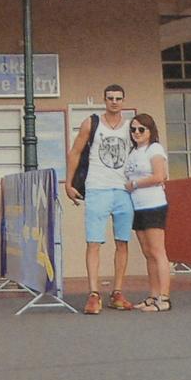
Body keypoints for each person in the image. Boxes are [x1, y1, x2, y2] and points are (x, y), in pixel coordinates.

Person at [65, 84, 135, 315]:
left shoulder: (131, 126)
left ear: (124, 101)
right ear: (104, 100)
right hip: (97, 188)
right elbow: (75, 151)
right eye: (110, 98)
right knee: (93, 242)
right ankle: (93, 293)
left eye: (118, 98)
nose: (114, 102)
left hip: (123, 190)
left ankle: (117, 291)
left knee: (122, 242)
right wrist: (69, 182)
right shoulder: (91, 123)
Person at [123, 113, 171, 312]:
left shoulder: (155, 149)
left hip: (153, 204)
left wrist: (135, 183)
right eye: (133, 129)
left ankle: (164, 298)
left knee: (158, 251)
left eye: (141, 129)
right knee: (147, 252)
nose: (136, 133)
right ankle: (153, 295)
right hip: (137, 206)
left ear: (150, 131)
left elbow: (160, 176)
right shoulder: (133, 153)